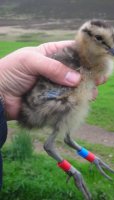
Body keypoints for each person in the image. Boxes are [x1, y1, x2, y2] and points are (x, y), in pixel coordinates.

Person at [0, 41, 106, 189]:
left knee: (68, 132)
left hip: (43, 102)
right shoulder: (73, 68)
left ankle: (92, 159)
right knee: (68, 108)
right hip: (46, 105)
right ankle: (75, 171)